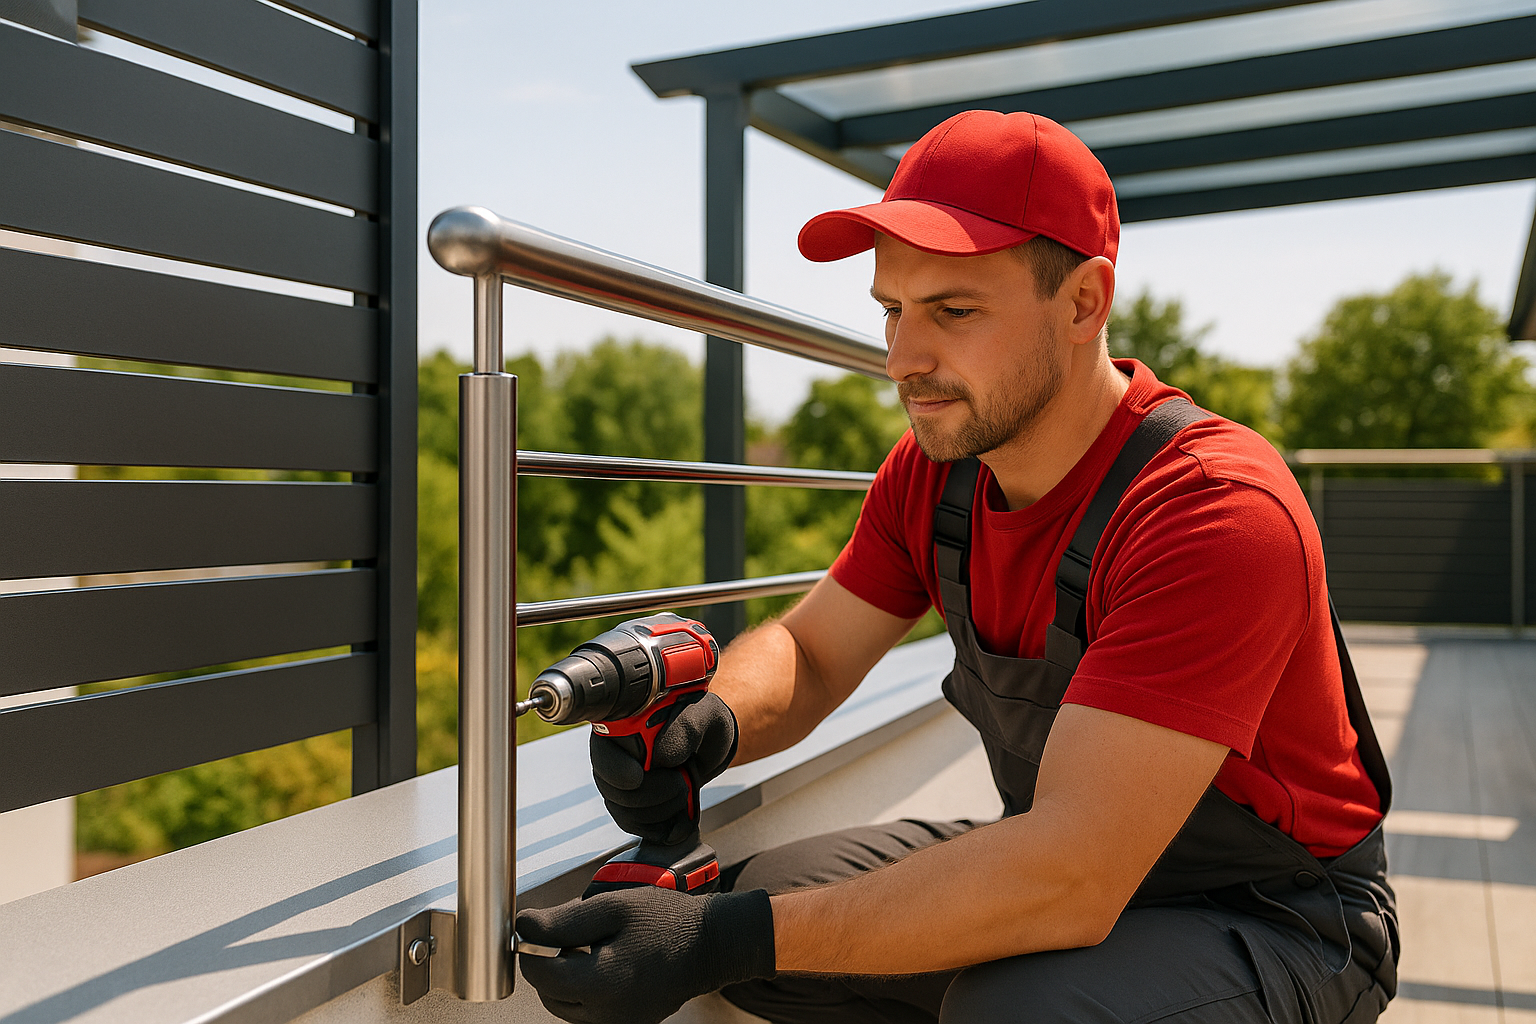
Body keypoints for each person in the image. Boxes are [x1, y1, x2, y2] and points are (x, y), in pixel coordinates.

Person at [516, 109, 1398, 1024]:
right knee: (748, 914)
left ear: (1084, 302)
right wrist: (714, 723)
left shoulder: (1213, 509)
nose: (902, 360)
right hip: (1067, 852)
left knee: (1009, 1008)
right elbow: (813, 654)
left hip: (1279, 917)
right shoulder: (937, 473)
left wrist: (721, 938)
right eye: (892, 310)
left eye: (954, 311)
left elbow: (1073, 875)